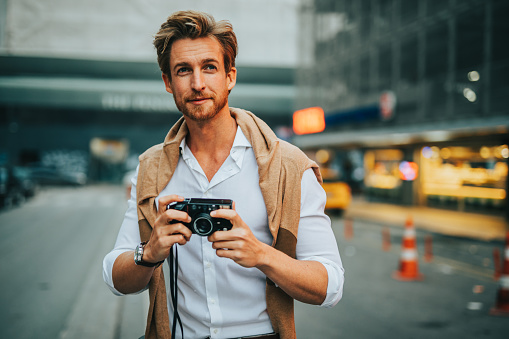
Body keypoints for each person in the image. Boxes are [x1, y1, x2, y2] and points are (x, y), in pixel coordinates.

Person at [103, 10, 344, 339]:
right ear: (167, 82)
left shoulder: (289, 166)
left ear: (230, 76)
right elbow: (116, 279)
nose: (198, 83)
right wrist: (150, 252)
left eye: (210, 67)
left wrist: (261, 254)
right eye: (183, 70)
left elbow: (329, 285)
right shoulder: (151, 168)